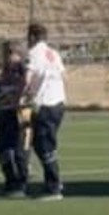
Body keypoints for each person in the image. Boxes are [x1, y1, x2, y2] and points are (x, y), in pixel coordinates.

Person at [20, 22, 66, 200]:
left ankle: (54, 188)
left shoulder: (33, 54)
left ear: (31, 37)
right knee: (44, 144)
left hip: (44, 104)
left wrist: (22, 96)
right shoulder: (53, 53)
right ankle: (54, 181)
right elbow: (64, 75)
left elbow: (27, 79)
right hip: (59, 103)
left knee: (43, 145)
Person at [0, 40, 32, 197]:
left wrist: (20, 97)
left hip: (22, 113)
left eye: (8, 53)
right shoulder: (6, 70)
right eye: (4, 53)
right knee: (0, 146)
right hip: (6, 112)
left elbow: (27, 85)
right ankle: (11, 178)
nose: (5, 56)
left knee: (21, 150)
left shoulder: (23, 67)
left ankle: (21, 184)